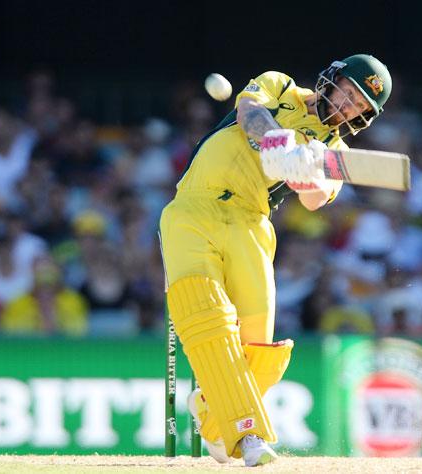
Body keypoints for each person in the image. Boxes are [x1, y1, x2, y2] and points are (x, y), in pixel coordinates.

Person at [159, 54, 391, 466]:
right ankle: (250, 438)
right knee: (206, 312)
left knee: (260, 349)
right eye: (349, 94)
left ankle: (213, 414)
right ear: (331, 80)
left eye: (358, 107)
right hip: (194, 208)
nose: (347, 108)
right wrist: (281, 144)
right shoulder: (280, 86)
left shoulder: (333, 149)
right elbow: (248, 112)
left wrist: (309, 173)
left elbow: (317, 199)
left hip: (251, 225)